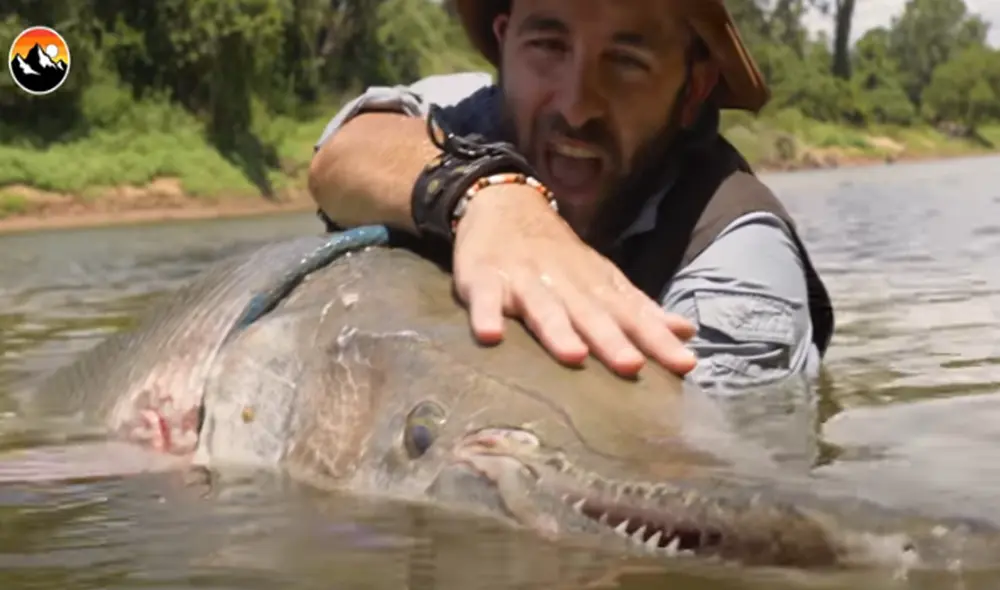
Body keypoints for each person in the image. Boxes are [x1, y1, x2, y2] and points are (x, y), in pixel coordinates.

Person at [308, 0, 835, 391]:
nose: (578, 105)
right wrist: (489, 195)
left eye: (627, 61)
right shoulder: (461, 112)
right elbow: (341, 155)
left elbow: (704, 493)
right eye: (548, 46)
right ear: (506, 45)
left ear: (694, 87)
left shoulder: (734, 268)